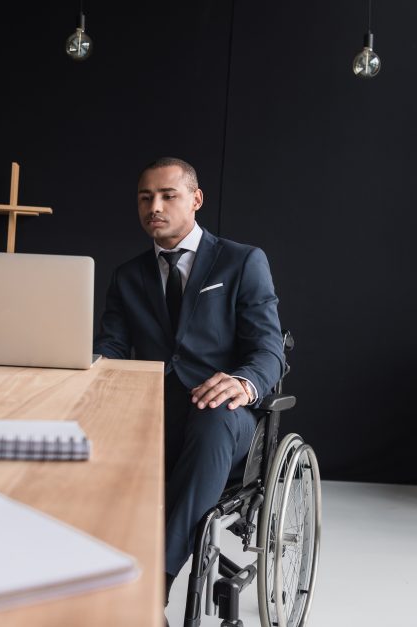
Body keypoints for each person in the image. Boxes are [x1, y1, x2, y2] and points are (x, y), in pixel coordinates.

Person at [93, 157, 285, 604]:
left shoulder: (241, 262)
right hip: (154, 413)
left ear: (196, 199)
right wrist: (88, 365)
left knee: (213, 414)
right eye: (145, 198)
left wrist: (243, 382)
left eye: (167, 195)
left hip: (227, 420)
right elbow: (114, 351)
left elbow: (268, 349)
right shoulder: (127, 276)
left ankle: (154, 579)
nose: (153, 206)